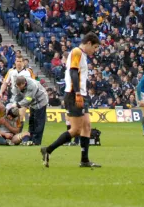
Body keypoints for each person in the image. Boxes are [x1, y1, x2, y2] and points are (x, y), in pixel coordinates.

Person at [41, 32, 101, 168]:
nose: (95, 51)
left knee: (87, 127)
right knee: (75, 130)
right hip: (74, 94)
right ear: (89, 43)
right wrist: (78, 93)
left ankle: (84, 160)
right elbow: (73, 72)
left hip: (80, 94)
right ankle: (48, 150)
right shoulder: (77, 52)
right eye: (95, 47)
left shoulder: (81, 54)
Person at [11, 75, 48, 145]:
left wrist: (17, 105)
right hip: (33, 103)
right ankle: (30, 139)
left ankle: (36, 141)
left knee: (38, 122)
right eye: (17, 86)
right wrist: (14, 103)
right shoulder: (17, 85)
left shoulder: (32, 85)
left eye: (20, 86)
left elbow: (27, 100)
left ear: (24, 83)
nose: (19, 88)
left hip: (41, 101)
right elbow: (18, 95)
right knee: (31, 121)